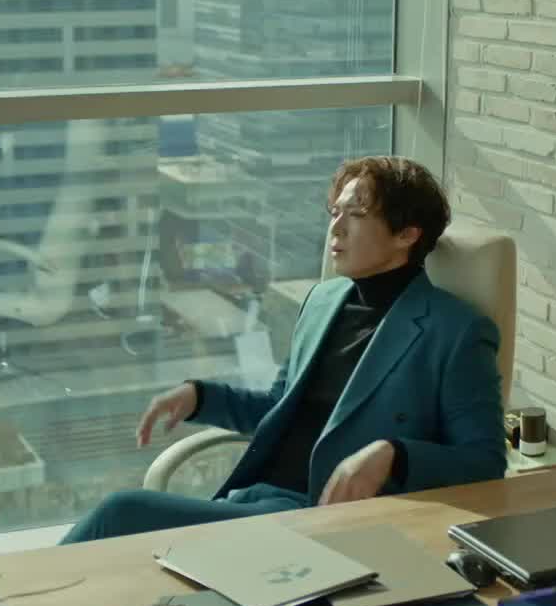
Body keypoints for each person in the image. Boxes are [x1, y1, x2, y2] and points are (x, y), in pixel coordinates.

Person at [60, 156, 505, 544]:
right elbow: (279, 408)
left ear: (407, 234)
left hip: (317, 519)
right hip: (254, 500)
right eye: (335, 212)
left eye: (356, 214)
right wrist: (200, 397)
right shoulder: (324, 301)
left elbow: (483, 462)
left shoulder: (455, 331)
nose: (336, 227)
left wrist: (393, 454)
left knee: (122, 513)